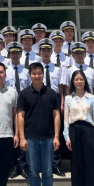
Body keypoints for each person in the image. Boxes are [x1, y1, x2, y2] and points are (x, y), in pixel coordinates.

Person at [18, 62, 61, 186]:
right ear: (30, 75)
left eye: (39, 73)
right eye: (34, 73)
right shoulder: (24, 94)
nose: (37, 76)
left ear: (43, 74)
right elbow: (20, 116)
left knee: (48, 171)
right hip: (31, 138)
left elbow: (56, 115)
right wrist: (22, 137)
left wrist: (56, 136)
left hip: (48, 137)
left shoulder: (52, 93)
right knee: (34, 171)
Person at [64, 70, 94, 186]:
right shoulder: (68, 98)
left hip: (88, 131)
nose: (79, 82)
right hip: (74, 131)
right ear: (73, 82)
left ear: (85, 81)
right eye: (76, 79)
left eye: (81, 79)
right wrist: (67, 137)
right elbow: (66, 119)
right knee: (76, 166)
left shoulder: (92, 98)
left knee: (91, 166)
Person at [37, 38, 66, 178]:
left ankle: (56, 164)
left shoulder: (58, 68)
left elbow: (61, 88)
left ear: (52, 51)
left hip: (54, 99)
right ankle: (42, 164)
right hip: (40, 99)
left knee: (56, 132)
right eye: (43, 50)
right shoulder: (36, 69)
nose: (46, 52)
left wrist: (62, 102)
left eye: (48, 50)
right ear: (39, 52)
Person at [5, 42, 31, 179]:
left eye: (17, 53)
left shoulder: (26, 71)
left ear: (21, 54)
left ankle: (24, 165)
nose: (15, 55)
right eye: (12, 53)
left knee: (23, 135)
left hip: (23, 107)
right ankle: (14, 165)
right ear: (9, 54)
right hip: (9, 106)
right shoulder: (5, 71)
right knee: (11, 136)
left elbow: (29, 89)